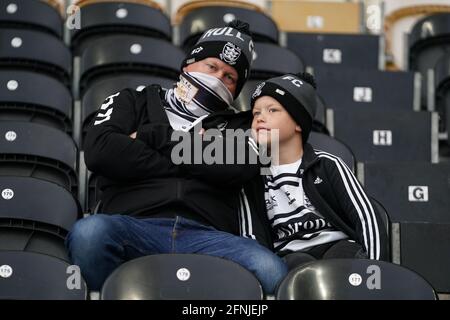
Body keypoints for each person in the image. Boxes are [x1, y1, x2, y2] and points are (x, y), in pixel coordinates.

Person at [65, 20, 287, 294]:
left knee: (270, 269)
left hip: (210, 235)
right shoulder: (132, 100)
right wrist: (197, 154)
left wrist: (151, 138)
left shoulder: (242, 124)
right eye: (212, 66)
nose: (218, 79)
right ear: (189, 64)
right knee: (89, 235)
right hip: (133, 225)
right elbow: (101, 151)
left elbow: (239, 167)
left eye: (230, 77)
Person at [244, 72, 388, 269]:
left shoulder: (327, 164)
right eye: (256, 113)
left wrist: (378, 270)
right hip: (290, 253)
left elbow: (366, 217)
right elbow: (252, 237)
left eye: (272, 110)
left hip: (336, 245)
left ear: (298, 123)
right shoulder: (252, 176)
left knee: (343, 259)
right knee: (300, 268)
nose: (260, 118)